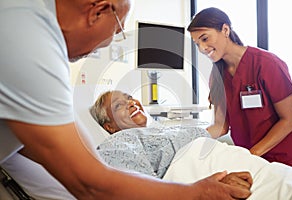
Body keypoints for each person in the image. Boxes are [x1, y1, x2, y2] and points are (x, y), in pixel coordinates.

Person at [0, 1, 251, 200]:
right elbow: (91, 183)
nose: (114, 39)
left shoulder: (26, 22)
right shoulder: (27, 41)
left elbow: (81, 163)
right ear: (98, 10)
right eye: (119, 28)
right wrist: (196, 193)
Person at [90, 90, 292, 200]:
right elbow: (134, 191)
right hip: (205, 175)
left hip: (241, 164)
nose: (131, 103)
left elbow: (217, 129)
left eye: (130, 97)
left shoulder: (167, 130)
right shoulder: (117, 143)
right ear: (109, 126)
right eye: (119, 105)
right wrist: (202, 190)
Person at [187, 7, 292, 166]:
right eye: (197, 44)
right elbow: (220, 126)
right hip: (251, 161)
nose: (202, 49)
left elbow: (290, 119)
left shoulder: (267, 64)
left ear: (225, 30)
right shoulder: (217, 76)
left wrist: (251, 155)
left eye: (205, 39)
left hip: (286, 160)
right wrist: (187, 139)